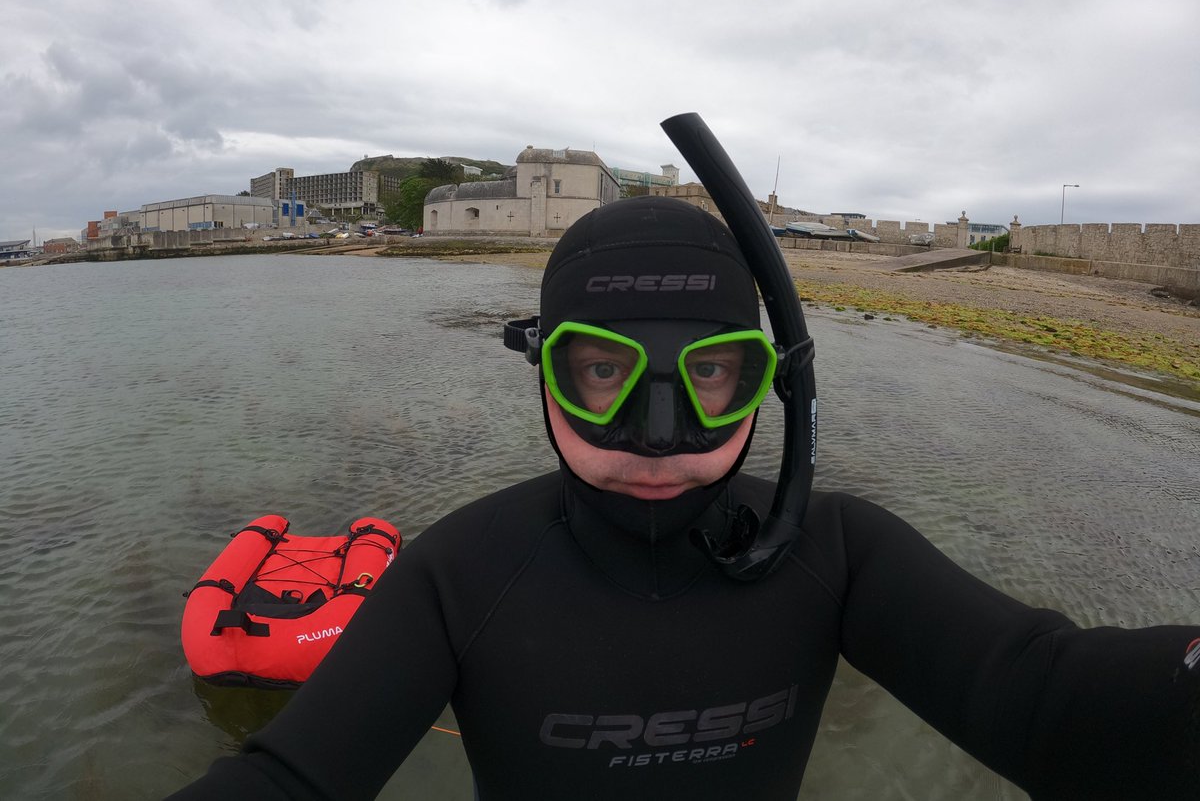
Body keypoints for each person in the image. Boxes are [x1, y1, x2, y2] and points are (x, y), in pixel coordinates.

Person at [171, 196, 1200, 800]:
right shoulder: (458, 574)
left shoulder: (838, 555)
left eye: (711, 375)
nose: (658, 435)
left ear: (773, 380)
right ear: (542, 370)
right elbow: (292, 784)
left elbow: (1041, 694)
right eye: (601, 373)